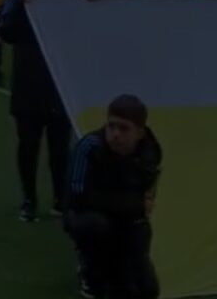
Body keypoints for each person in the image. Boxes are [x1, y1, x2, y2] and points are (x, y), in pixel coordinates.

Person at [0, 0, 74, 222]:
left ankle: (60, 199)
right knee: (28, 146)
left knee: (59, 150)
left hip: (58, 86)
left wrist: (89, 5)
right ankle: (29, 199)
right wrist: (21, 7)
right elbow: (6, 32)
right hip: (28, 83)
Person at [65, 95, 161, 299]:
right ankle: (88, 266)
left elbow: (145, 205)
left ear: (140, 133)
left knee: (147, 289)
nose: (115, 134)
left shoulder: (150, 154)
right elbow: (76, 198)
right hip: (88, 215)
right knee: (95, 226)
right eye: (111, 126)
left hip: (127, 220)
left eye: (124, 128)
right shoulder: (88, 147)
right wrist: (125, 204)